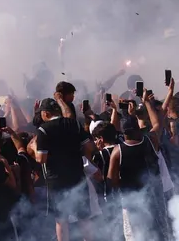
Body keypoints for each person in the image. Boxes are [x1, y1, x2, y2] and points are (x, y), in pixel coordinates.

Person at [35, 94, 94, 241]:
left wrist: (34, 146)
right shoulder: (73, 124)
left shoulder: (43, 130)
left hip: (56, 182)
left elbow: (41, 158)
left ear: (45, 113)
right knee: (84, 217)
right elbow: (88, 147)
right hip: (77, 177)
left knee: (61, 220)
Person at [108, 109, 169, 240]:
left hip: (131, 200)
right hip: (155, 196)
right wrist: (146, 101)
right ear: (137, 128)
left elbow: (111, 180)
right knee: (159, 230)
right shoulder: (151, 140)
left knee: (136, 235)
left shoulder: (117, 152)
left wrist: (125, 185)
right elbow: (157, 124)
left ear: (123, 132)